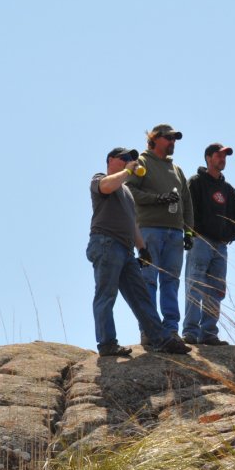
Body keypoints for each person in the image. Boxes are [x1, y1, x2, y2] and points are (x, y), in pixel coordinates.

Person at [87, 147, 170, 357]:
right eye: (124, 158)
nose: (129, 161)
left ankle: (161, 339)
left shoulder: (127, 192)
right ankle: (107, 343)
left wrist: (142, 249)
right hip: (106, 242)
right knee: (106, 295)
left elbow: (132, 224)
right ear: (110, 160)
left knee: (141, 296)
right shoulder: (100, 178)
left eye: (131, 159)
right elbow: (106, 187)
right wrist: (128, 171)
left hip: (125, 249)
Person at [127, 124, 194, 354]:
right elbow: (129, 190)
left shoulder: (177, 169)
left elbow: (187, 202)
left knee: (171, 283)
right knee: (148, 280)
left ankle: (171, 330)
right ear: (154, 139)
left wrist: (189, 232)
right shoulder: (142, 164)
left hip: (175, 233)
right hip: (149, 230)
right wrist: (158, 199)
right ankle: (149, 331)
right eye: (169, 138)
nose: (173, 142)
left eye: (175, 139)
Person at [182, 143, 235, 345]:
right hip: (200, 241)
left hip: (220, 246)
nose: (223, 159)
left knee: (216, 288)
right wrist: (194, 232)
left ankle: (209, 333)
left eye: (225, 156)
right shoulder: (196, 182)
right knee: (195, 285)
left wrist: (229, 235)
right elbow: (187, 210)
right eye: (219, 155)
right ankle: (190, 332)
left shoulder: (228, 190)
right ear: (208, 158)